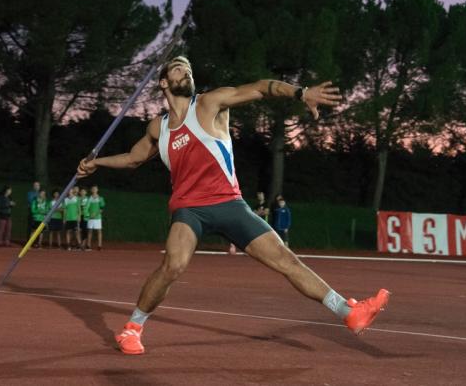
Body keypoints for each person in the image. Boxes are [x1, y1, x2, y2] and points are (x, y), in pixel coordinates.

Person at [78, 56, 390, 355]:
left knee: (285, 259)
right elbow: (133, 159)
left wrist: (300, 92)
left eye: (188, 68)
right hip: (190, 209)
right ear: (163, 83)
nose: (185, 71)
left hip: (230, 203)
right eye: (177, 68)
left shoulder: (210, 103)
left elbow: (258, 87)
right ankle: (132, 329)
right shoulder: (158, 128)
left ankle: (347, 312)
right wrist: (96, 163)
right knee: (173, 264)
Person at [86, 185, 105, 251]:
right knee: (89, 231)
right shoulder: (89, 198)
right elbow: (86, 208)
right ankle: (88, 246)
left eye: (95, 189)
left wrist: (95, 214)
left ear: (97, 190)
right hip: (90, 218)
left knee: (99, 231)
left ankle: (99, 246)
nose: (94, 190)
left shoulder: (100, 198)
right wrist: (89, 215)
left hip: (98, 218)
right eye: (93, 188)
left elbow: (101, 209)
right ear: (91, 190)